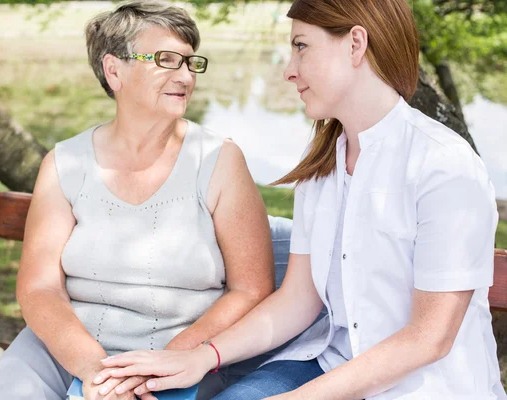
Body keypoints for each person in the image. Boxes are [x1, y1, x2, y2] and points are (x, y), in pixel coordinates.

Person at [97, 0, 506, 399]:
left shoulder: (443, 165)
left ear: (355, 44)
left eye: (301, 46)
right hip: (328, 364)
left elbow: (427, 340)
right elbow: (298, 300)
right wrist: (202, 357)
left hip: (424, 386)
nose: (289, 72)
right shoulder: (322, 167)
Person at [0, 2, 275, 399]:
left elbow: (250, 290)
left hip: (179, 357)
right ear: (115, 70)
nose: (184, 76)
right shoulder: (66, 162)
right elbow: (39, 287)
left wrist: (160, 364)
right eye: (166, 60)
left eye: (189, 62)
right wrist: (93, 368)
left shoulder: (219, 160)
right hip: (65, 347)